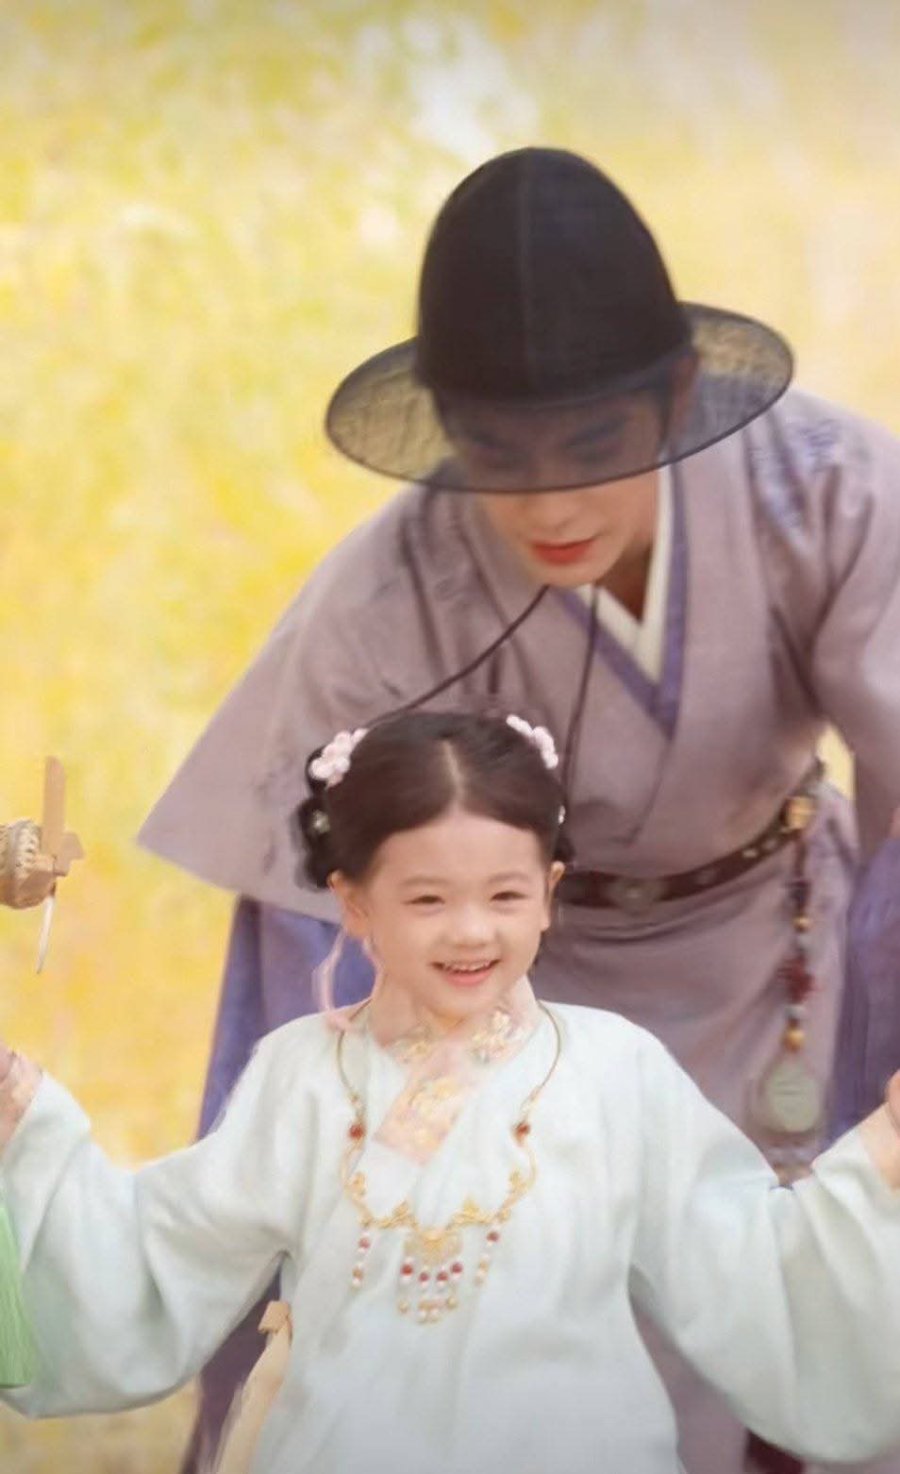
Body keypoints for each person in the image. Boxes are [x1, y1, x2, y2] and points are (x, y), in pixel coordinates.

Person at [138, 147, 900, 1473]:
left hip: (795, 960)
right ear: (445, 424)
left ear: (676, 394)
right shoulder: (388, 599)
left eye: (594, 446)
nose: (549, 504)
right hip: (511, 998)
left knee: (836, 1290)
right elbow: (310, 927)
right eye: (497, 452)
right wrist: (328, 1160)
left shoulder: (826, 487)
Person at [4, 709, 900, 1474]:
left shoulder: (615, 1073)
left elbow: (750, 1273)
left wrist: (884, 1156)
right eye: (427, 900)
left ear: (549, 893)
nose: (471, 932)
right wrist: (26, 1128)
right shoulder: (303, 1074)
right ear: (355, 902)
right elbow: (161, 1260)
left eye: (505, 896)